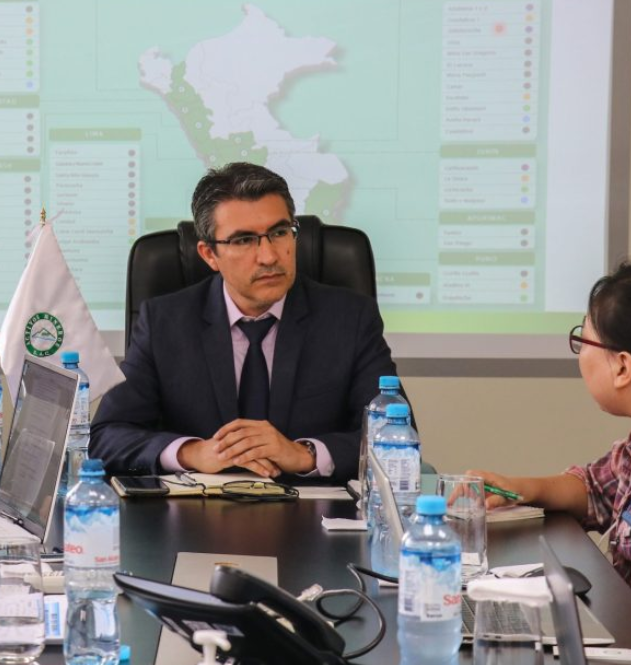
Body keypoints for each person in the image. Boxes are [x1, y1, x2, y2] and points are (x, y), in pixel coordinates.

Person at [90, 162, 399, 483]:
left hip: (314, 508)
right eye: (243, 240)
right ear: (209, 254)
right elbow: (105, 436)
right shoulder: (165, 322)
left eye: (279, 233)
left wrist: (305, 454)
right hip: (197, 509)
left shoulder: (350, 318)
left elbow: (395, 435)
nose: (269, 256)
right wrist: (192, 453)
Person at [474, 261, 631, 604]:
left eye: (582, 341)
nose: (580, 355)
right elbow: (595, 488)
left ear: (623, 367)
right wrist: (518, 489)